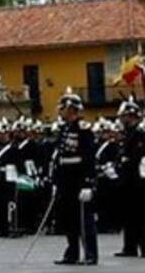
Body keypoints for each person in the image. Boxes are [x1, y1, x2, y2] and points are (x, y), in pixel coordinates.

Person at [52, 90, 97, 266]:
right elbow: (59, 159)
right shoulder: (64, 129)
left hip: (79, 179)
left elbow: (89, 157)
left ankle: (90, 254)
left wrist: (88, 183)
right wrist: (57, 181)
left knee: (84, 219)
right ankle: (72, 253)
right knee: (68, 218)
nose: (60, 111)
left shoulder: (83, 130)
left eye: (62, 108)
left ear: (71, 109)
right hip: (66, 180)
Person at [115, 98, 145, 257]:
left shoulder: (139, 134)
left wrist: (125, 161)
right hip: (127, 181)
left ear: (131, 116)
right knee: (128, 216)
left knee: (139, 216)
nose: (121, 119)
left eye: (123, 116)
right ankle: (129, 247)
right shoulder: (127, 134)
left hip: (137, 181)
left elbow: (136, 157)